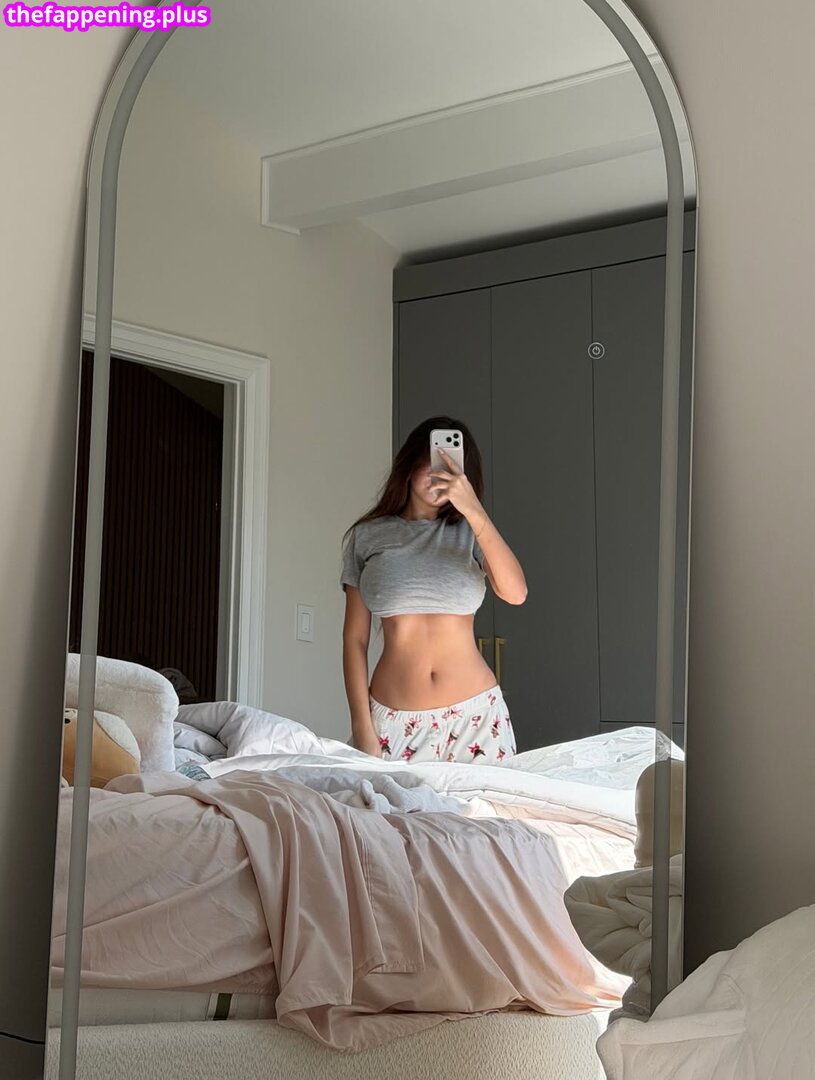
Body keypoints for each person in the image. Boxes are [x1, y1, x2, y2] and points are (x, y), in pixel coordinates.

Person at [340, 415, 527, 763]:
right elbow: (355, 640)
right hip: (392, 722)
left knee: (483, 804)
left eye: (452, 466)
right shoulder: (367, 536)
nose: (441, 474)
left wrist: (474, 510)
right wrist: (362, 726)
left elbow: (515, 593)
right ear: (411, 462)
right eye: (434, 461)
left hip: (476, 720)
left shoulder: (472, 532)